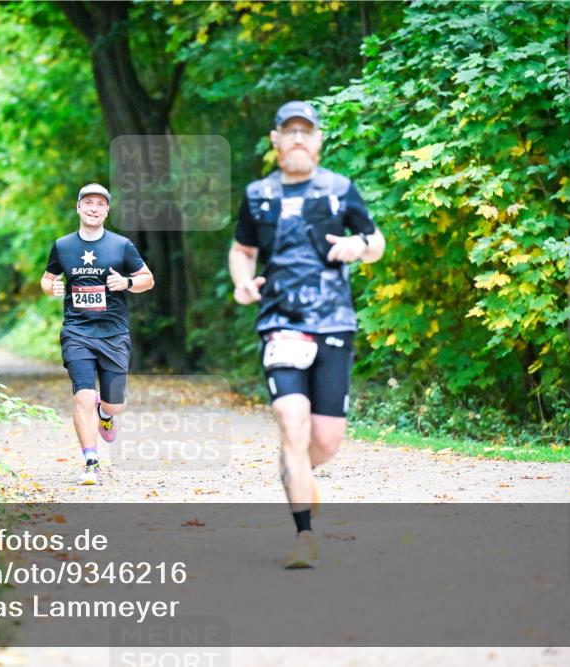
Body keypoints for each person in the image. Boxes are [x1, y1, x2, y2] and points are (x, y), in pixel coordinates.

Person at [228, 101, 386, 568]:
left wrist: (359, 247)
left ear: (318, 140)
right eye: (289, 131)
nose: (298, 138)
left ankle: (295, 467)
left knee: (326, 441)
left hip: (334, 321)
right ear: (275, 138)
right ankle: (304, 536)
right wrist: (242, 279)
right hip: (280, 321)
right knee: (290, 421)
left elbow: (375, 242)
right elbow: (242, 249)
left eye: (306, 131)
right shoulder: (258, 194)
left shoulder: (339, 190)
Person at [40, 183, 154, 485]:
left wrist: (127, 283)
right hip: (77, 332)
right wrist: (51, 287)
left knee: (114, 403)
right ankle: (91, 460)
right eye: (87, 202)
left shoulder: (121, 246)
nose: (93, 208)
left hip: (114, 333)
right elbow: (47, 278)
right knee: (83, 396)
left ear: (107, 211)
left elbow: (148, 279)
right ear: (78, 208)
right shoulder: (63, 246)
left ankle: (106, 414)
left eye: (100, 204)